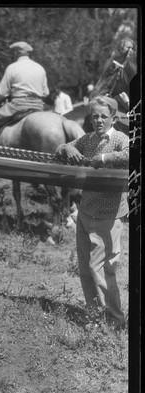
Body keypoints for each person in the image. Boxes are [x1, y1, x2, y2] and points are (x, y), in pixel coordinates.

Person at [56, 96, 129, 330]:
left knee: (102, 269)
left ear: (114, 118)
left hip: (108, 215)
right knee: (86, 268)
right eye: (94, 116)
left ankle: (116, 320)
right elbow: (61, 149)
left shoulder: (120, 139)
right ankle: (94, 316)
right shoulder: (88, 139)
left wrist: (104, 158)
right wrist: (67, 147)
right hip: (86, 212)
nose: (98, 120)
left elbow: (131, 154)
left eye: (103, 117)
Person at [0, 41, 49, 144]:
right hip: (38, 106)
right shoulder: (40, 68)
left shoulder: (12, 67)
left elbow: (2, 93)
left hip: (18, 106)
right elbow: (45, 93)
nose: (11, 56)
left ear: (16, 53)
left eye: (12, 54)